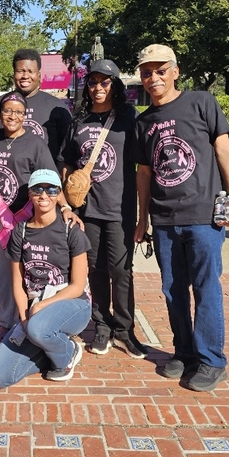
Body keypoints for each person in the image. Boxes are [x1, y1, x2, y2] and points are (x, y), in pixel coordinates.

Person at [133, 44, 229, 392]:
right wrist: (142, 220)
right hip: (164, 219)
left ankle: (212, 360)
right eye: (147, 72)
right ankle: (185, 352)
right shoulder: (143, 121)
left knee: (205, 286)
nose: (154, 78)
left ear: (175, 71)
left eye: (160, 70)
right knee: (172, 289)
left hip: (202, 215)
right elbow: (145, 173)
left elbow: (224, 148)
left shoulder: (201, 102)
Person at [59, 60, 144, 358]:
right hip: (88, 211)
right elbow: (66, 161)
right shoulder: (78, 121)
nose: (98, 87)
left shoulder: (129, 119)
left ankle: (124, 330)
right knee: (94, 270)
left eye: (105, 82)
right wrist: (70, 197)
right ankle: (102, 328)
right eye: (93, 82)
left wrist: (145, 214)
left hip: (120, 209)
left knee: (121, 272)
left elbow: (144, 165)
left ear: (115, 85)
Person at [0, 92, 78, 356]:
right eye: (7, 111)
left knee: (31, 276)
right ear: (0, 113)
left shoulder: (36, 143)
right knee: (3, 277)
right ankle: (6, 323)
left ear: (25, 115)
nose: (12, 116)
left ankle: (33, 323)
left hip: (27, 219)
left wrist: (66, 207)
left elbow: (52, 181)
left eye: (18, 112)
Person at [0, 169, 92, 388]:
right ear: (30, 195)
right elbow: (17, 282)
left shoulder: (70, 230)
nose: (44, 195)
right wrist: (24, 319)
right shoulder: (20, 232)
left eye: (51, 189)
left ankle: (67, 354)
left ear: (58, 193)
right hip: (35, 311)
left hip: (72, 303)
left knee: (38, 329)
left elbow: (78, 285)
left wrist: (41, 307)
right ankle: (47, 350)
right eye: (38, 189)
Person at [0, 48, 72, 160]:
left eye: (30, 71)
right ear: (13, 73)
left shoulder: (57, 108)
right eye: (20, 71)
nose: (25, 76)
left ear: (39, 74)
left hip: (44, 175)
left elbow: (68, 150)